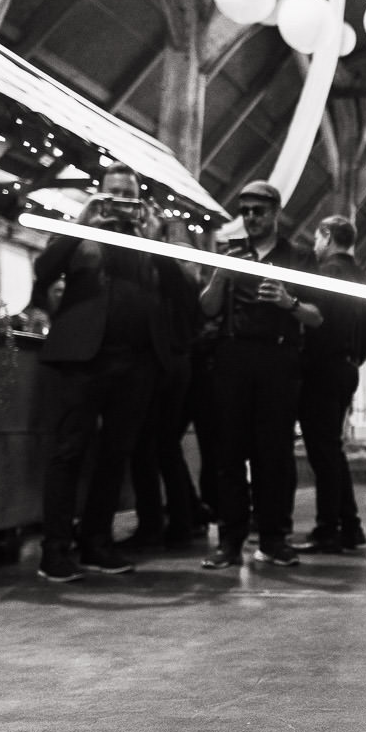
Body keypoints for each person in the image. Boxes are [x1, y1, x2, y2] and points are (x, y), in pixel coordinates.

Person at [33, 163, 182, 582]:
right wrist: (83, 224)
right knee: (69, 451)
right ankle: (55, 550)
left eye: (127, 196)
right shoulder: (81, 236)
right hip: (83, 358)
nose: (120, 203)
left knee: (116, 454)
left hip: (136, 362)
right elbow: (43, 272)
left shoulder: (149, 241)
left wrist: (156, 241)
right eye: (112, 194)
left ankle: (97, 543)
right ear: (99, 196)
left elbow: (178, 291)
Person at [199, 181, 323, 570]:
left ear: (275, 212)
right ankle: (229, 542)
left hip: (279, 358)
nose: (250, 218)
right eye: (245, 211)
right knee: (229, 452)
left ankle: (274, 539)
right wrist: (220, 275)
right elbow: (207, 308)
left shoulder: (299, 256)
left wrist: (290, 303)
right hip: (233, 356)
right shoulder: (231, 253)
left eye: (258, 211)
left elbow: (318, 317)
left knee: (275, 454)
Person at [294, 216, 366, 554]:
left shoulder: (326, 273)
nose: (315, 245)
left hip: (322, 368)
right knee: (331, 448)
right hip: (349, 370)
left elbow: (316, 319)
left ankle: (327, 529)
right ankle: (350, 526)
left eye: (317, 237)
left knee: (323, 452)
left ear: (327, 236)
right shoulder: (365, 278)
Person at [127, 216, 203, 550]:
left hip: (168, 358)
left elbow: (185, 290)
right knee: (162, 444)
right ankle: (177, 522)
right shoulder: (172, 260)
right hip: (171, 358)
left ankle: (161, 524)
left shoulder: (176, 258)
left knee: (152, 443)